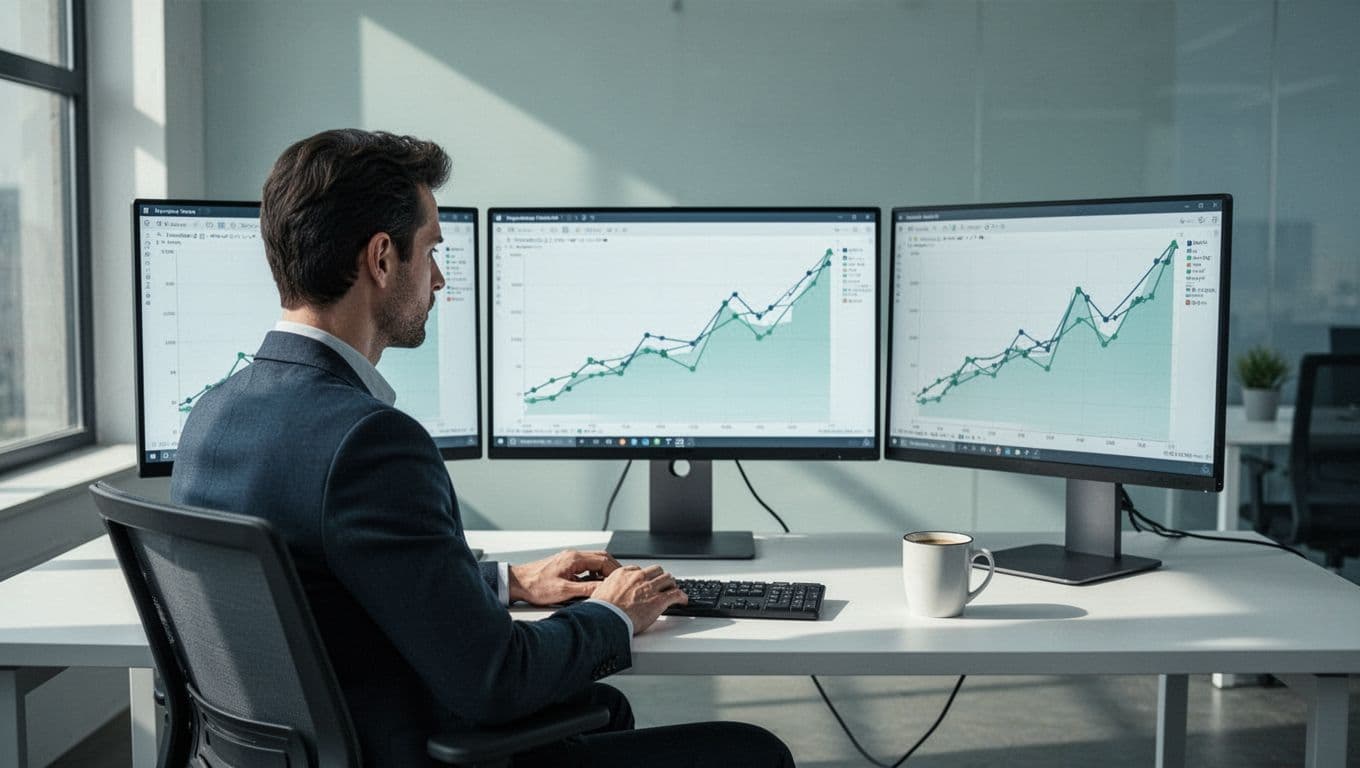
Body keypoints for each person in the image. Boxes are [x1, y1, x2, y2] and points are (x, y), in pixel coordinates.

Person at [170, 128, 796, 767]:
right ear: (382, 259)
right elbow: (496, 680)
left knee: (607, 711)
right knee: (753, 751)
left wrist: (506, 581)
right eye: (431, 250)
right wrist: (614, 616)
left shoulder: (211, 415)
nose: (439, 279)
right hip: (409, 749)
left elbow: (331, 584)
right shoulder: (371, 442)